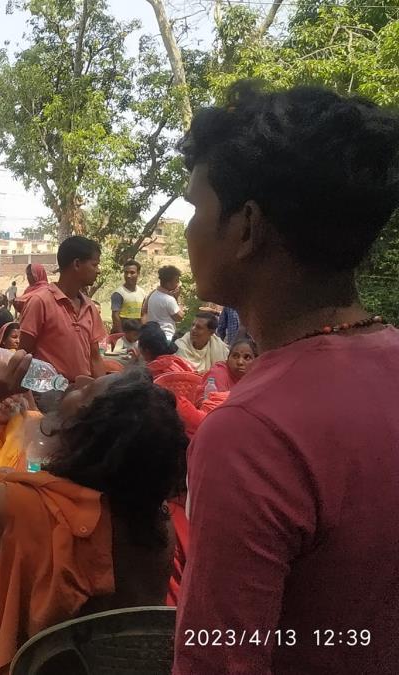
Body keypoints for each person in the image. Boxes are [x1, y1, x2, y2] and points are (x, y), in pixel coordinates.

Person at [173, 84, 399, 674]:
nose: (189, 232)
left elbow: (220, 663)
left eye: (197, 208)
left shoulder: (251, 436)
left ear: (246, 227)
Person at [0, 362, 185, 675]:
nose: (78, 376)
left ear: (82, 436)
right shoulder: (158, 519)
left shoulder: (28, 509)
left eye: (86, 389)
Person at [19, 237, 107, 381]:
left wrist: (103, 393)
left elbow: (95, 358)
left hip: (82, 392)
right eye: (94, 265)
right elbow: (23, 354)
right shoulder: (40, 302)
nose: (98, 271)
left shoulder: (90, 307)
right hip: (48, 394)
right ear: (77, 264)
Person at [143, 265, 185, 340]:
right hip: (167, 338)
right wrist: (178, 298)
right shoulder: (169, 299)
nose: (178, 283)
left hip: (152, 335)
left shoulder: (153, 294)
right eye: (176, 280)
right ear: (168, 283)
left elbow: (144, 310)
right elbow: (179, 317)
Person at [110, 260, 146, 332]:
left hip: (136, 334)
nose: (128, 276)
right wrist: (121, 335)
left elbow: (143, 315)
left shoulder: (142, 293)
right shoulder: (118, 293)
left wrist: (144, 332)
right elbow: (115, 316)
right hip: (123, 333)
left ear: (138, 273)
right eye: (126, 273)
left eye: (132, 273)